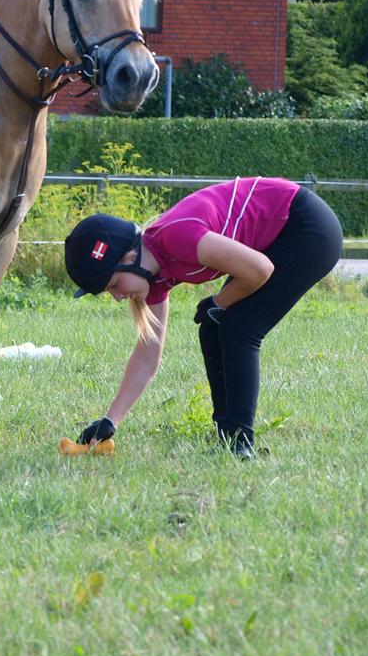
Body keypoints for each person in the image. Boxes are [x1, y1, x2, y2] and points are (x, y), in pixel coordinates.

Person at [64, 177, 343, 458]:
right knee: (213, 325)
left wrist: (217, 302)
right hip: (281, 234)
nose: (117, 297)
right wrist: (110, 420)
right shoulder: (155, 277)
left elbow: (259, 270)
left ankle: (239, 444)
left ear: (129, 258)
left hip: (306, 227)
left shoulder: (176, 237)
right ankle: (228, 435)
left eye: (113, 285)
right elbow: (149, 354)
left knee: (238, 327)